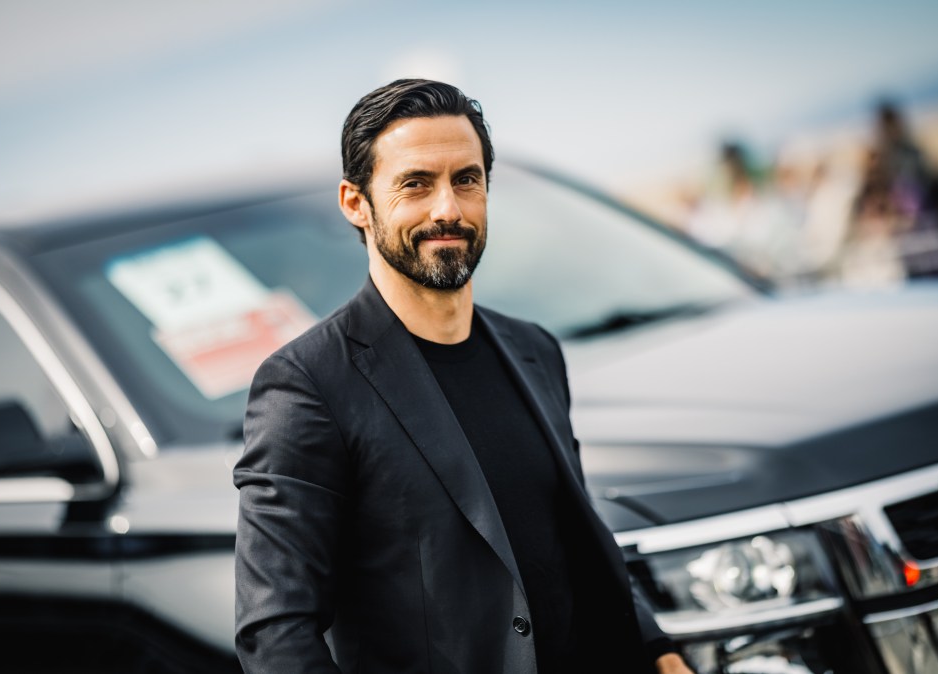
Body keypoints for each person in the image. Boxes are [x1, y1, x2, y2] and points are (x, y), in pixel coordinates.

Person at [233, 79, 694, 674]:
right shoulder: (306, 385)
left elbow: (574, 541)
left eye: (466, 180)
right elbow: (274, 631)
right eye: (416, 184)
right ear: (355, 202)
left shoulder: (534, 351)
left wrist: (657, 650)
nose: (447, 208)